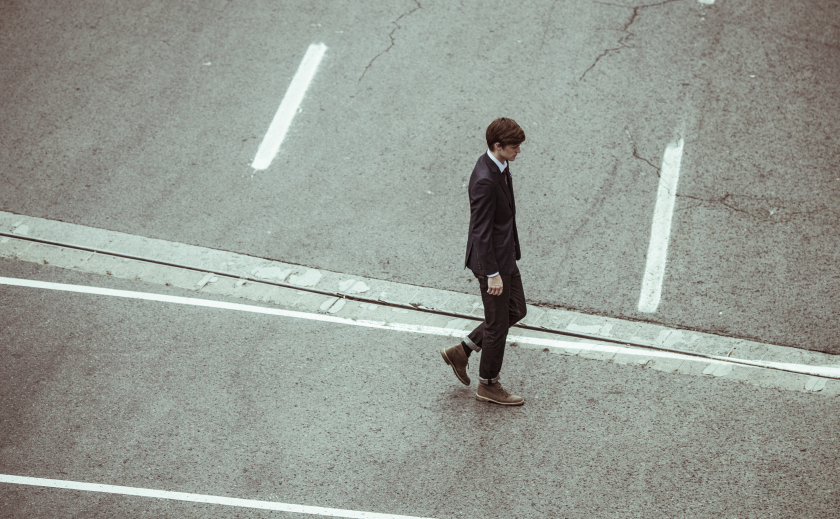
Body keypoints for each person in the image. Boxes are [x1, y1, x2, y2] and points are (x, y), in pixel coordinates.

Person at [441, 117, 527, 406]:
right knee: (497, 325)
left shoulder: (499, 166)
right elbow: (480, 230)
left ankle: (462, 350)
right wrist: (492, 273)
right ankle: (488, 384)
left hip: (504, 256)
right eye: (514, 147)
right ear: (497, 146)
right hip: (492, 264)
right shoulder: (485, 179)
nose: (519, 151)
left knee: (516, 310)